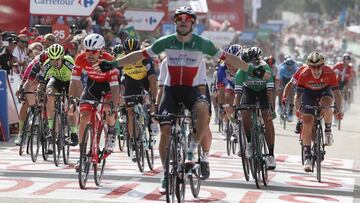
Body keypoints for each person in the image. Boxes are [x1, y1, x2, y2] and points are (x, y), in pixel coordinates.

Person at [99, 6, 270, 193]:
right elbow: (140, 54)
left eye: (187, 18)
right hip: (172, 91)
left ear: (192, 22)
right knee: (165, 131)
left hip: (192, 90)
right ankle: (166, 174)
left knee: (203, 110)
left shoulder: (201, 43)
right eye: (179, 17)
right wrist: (114, 63)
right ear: (175, 21)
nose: (183, 20)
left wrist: (252, 70)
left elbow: (228, 58)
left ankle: (193, 148)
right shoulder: (166, 41)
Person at [69, 34, 120, 170]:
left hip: (109, 86)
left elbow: (115, 86)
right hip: (92, 86)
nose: (90, 55)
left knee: (109, 108)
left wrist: (114, 105)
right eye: (88, 51)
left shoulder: (109, 60)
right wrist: (72, 100)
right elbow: (75, 81)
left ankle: (111, 131)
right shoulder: (80, 58)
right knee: (84, 117)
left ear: (101, 51)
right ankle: (82, 156)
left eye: (94, 51)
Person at [295, 52, 343, 172]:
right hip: (308, 94)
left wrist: (338, 108)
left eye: (319, 67)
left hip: (324, 92)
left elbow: (337, 93)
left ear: (323, 65)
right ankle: (307, 157)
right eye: (313, 67)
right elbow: (298, 96)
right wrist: (298, 109)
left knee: (327, 106)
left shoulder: (329, 72)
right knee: (307, 122)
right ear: (309, 67)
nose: (316, 70)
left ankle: (327, 131)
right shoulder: (304, 74)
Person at [234, 47, 277, 170]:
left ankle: (271, 155)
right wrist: (237, 110)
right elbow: (238, 94)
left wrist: (272, 109)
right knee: (244, 113)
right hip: (249, 91)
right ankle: (249, 143)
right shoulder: (241, 72)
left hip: (264, 92)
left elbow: (270, 93)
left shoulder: (266, 70)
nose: (249, 66)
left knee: (267, 117)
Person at [119, 38, 158, 160]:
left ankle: (152, 122)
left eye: (133, 52)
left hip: (144, 81)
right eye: (127, 53)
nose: (130, 55)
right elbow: (117, 80)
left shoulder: (145, 58)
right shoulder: (121, 60)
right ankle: (134, 142)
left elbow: (152, 79)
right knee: (130, 113)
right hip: (131, 82)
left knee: (150, 101)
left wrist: (152, 98)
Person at [35, 44, 79, 151]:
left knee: (71, 108)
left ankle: (73, 133)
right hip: (56, 81)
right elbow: (42, 83)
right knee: (49, 95)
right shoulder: (47, 64)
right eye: (53, 59)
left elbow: (77, 80)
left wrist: (73, 98)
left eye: (58, 59)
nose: (55, 62)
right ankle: (51, 128)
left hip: (70, 82)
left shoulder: (69, 62)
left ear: (62, 57)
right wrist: (40, 93)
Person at [217, 44, 243, 139]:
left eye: (235, 62)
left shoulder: (245, 65)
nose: (231, 66)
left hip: (243, 86)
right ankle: (232, 125)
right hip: (231, 86)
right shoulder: (222, 68)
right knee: (227, 100)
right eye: (229, 62)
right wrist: (221, 106)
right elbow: (221, 90)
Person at [276, 57, 298, 122]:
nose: (290, 67)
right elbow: (280, 80)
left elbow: (297, 80)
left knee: (292, 93)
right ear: (286, 65)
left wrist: (295, 88)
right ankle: (280, 105)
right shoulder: (282, 69)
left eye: (291, 66)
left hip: (292, 80)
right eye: (288, 65)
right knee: (281, 89)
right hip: (284, 80)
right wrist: (280, 87)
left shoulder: (296, 69)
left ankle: (291, 111)